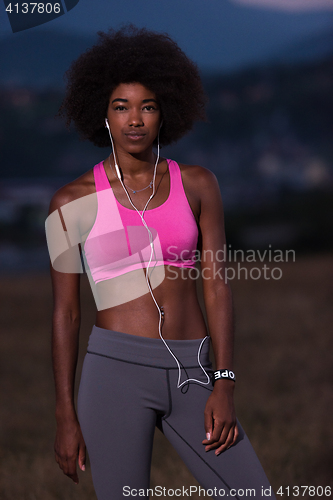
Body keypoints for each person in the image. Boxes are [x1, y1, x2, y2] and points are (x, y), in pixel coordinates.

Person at [46, 25, 276, 500]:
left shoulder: (198, 183)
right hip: (114, 374)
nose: (135, 119)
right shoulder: (68, 202)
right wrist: (65, 414)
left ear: (164, 113)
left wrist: (225, 382)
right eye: (121, 106)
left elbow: (217, 287)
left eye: (147, 106)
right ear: (102, 116)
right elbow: (66, 313)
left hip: (194, 369)